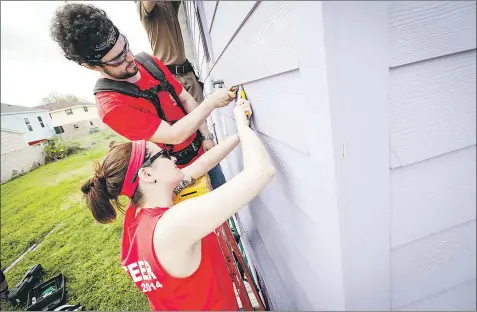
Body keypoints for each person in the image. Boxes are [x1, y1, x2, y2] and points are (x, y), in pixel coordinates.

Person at [80, 99, 275, 311]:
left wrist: (240, 131)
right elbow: (261, 172)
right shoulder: (173, 225)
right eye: (163, 154)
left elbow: (200, 165)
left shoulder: (138, 214)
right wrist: (241, 123)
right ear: (147, 174)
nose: (172, 157)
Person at [50, 3, 231, 189]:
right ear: (91, 66)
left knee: (227, 201)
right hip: (177, 177)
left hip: (202, 150)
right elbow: (175, 135)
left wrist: (206, 136)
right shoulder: (112, 106)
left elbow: (185, 98)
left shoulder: (148, 62)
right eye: (117, 59)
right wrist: (212, 102)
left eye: (126, 46)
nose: (130, 58)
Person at [136, 1, 205, 104]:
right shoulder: (144, 7)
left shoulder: (170, 4)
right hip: (170, 78)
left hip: (188, 73)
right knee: (188, 118)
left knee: (203, 114)